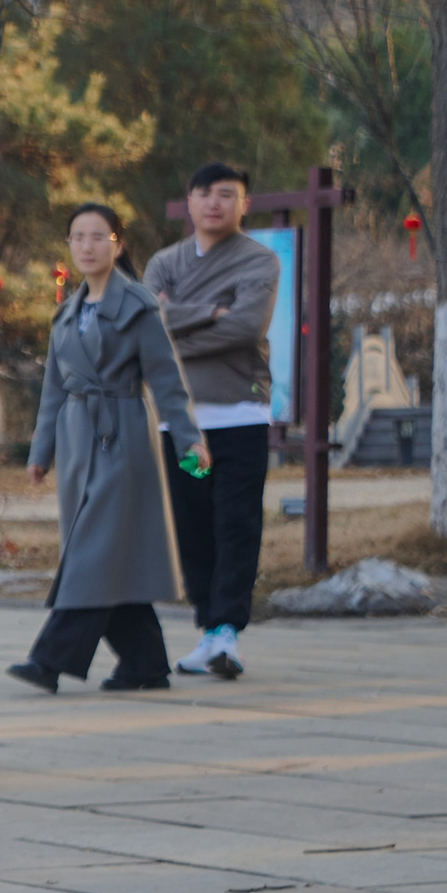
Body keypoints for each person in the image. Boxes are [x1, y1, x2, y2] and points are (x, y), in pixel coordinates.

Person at [8, 204, 207, 694]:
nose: (87, 246)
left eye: (99, 236)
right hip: (77, 442)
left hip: (123, 436)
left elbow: (166, 380)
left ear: (118, 244)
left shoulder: (138, 305)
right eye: (78, 237)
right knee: (112, 554)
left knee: (93, 553)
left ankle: (49, 660)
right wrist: (40, 452)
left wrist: (189, 439)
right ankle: (146, 664)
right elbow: (53, 390)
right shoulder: (66, 313)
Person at [145, 163, 278, 681]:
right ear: (190, 202)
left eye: (227, 194)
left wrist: (178, 321)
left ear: (245, 204)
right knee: (192, 525)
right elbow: (146, 323)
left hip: (240, 415)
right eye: (204, 194)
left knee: (236, 522)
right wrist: (211, 312)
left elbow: (246, 327)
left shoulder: (259, 260)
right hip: (181, 422)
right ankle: (207, 629)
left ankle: (227, 631)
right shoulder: (165, 262)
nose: (215, 203)